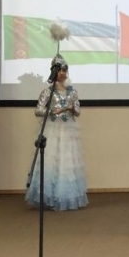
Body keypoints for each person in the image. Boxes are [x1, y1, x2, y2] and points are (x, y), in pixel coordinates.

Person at [26, 43, 88, 211]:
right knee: (51, 161)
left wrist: (70, 109)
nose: (62, 73)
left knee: (66, 162)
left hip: (68, 130)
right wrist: (54, 110)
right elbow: (38, 110)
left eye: (64, 70)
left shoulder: (72, 91)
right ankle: (49, 197)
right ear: (54, 72)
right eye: (59, 70)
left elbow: (78, 111)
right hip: (53, 129)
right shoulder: (48, 92)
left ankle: (66, 196)